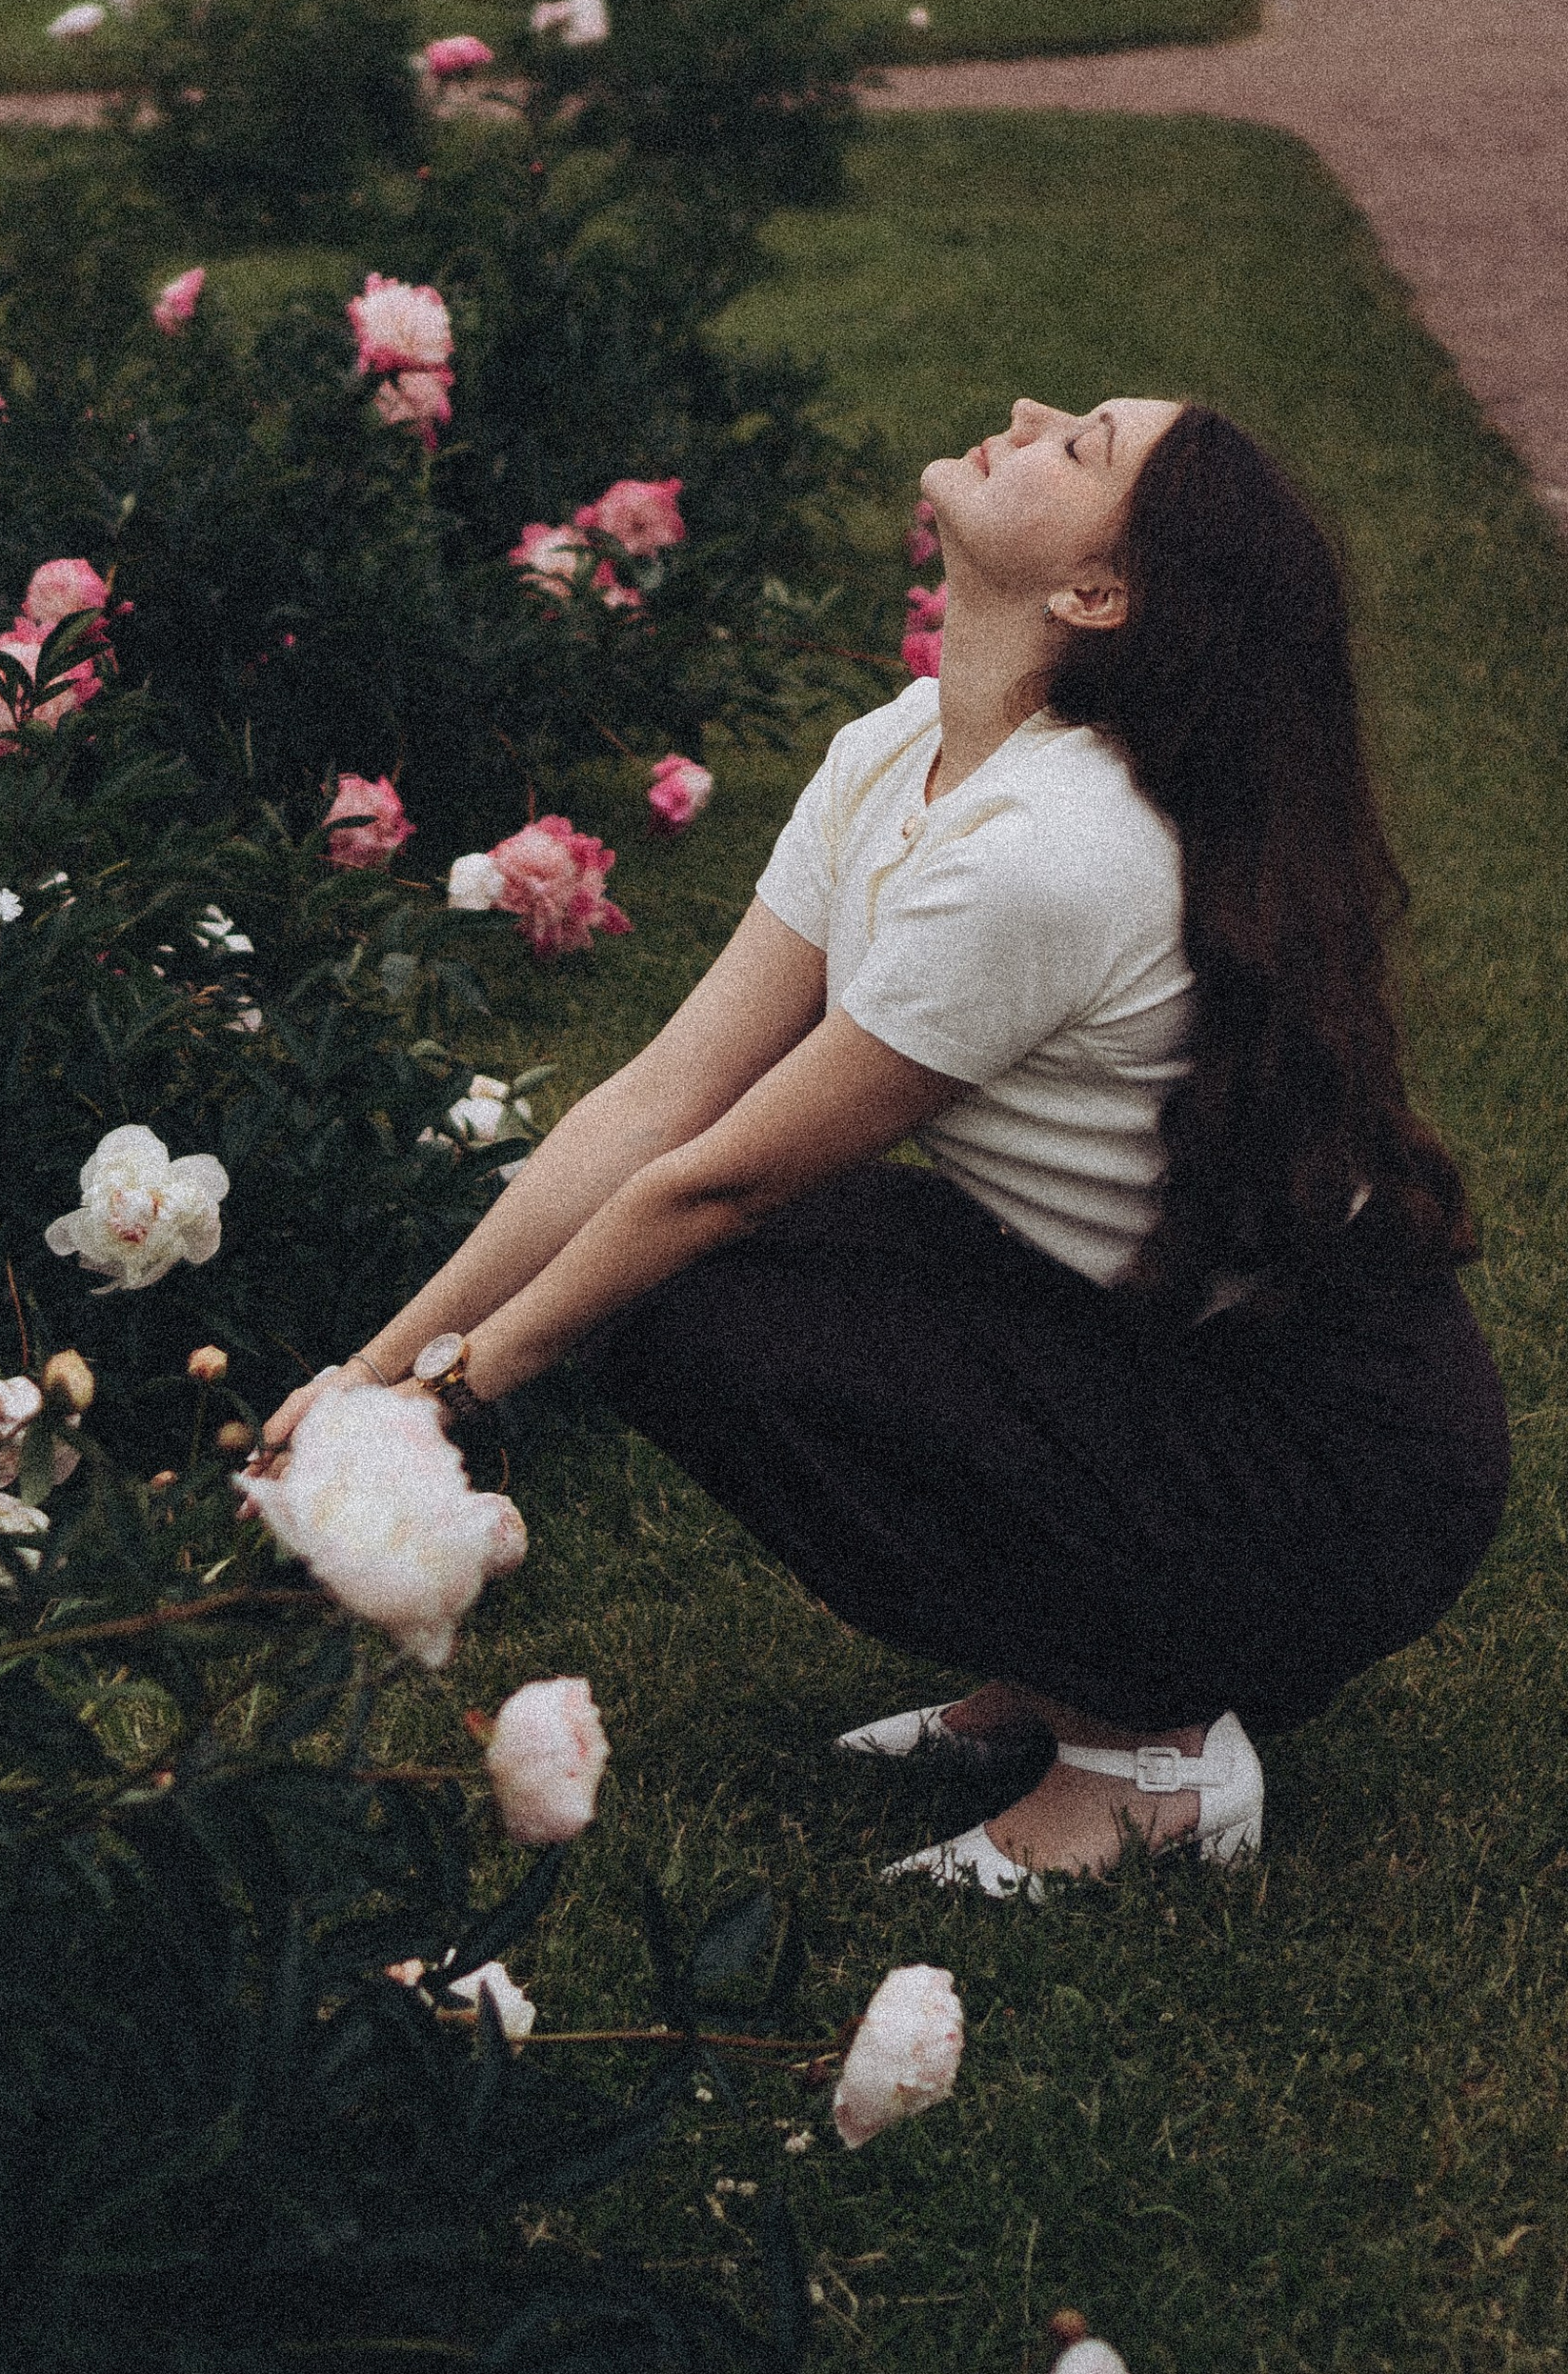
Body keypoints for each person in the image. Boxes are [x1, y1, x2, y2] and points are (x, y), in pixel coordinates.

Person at [256, 401, 1508, 1893]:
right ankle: (1067, 1667)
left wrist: (452, 1392)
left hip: (1337, 1469)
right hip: (1188, 1362)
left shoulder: (1050, 854)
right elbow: (659, 1102)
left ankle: (1151, 1756)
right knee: (698, 1268)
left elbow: (717, 1181)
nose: (1032, 416)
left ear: (1095, 594)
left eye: (1083, 446)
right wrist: (369, 1373)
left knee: (686, 1295)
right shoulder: (900, 749)